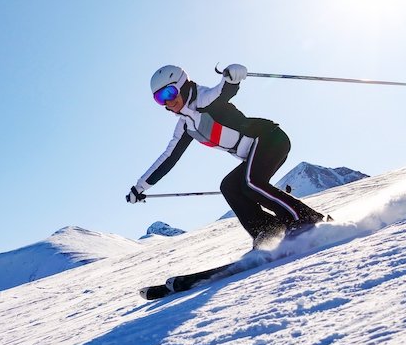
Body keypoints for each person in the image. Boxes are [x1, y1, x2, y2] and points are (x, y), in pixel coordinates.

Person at [126, 64, 326, 246]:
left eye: (169, 92)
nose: (168, 102)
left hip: (270, 139)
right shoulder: (186, 126)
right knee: (230, 186)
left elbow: (223, 91)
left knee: (251, 183)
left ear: (182, 85)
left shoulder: (205, 99)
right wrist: (140, 187)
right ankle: (268, 230)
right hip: (256, 152)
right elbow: (168, 159)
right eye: (159, 98)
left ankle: (304, 219)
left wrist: (232, 77)